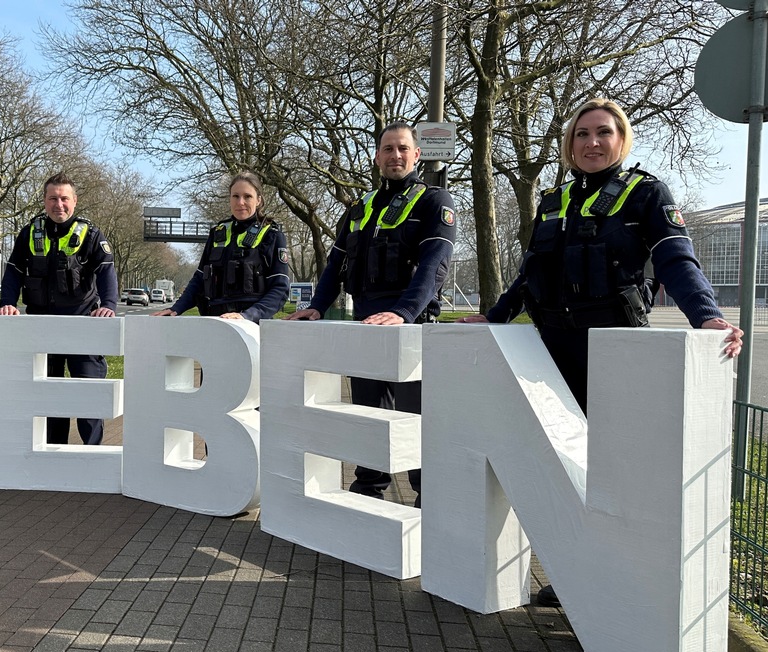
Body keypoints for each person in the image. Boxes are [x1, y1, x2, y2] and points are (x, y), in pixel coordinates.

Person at [458, 98, 742, 607]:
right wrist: (494, 316)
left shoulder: (645, 193)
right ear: (569, 144)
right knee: (561, 465)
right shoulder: (553, 200)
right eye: (582, 134)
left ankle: (609, 580)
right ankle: (573, 574)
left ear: (621, 139)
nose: (592, 142)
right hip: (549, 352)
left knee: (608, 472)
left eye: (603, 132)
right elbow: (529, 273)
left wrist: (706, 315)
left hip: (614, 349)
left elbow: (676, 258)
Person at [285, 122, 457, 507]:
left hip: (412, 327)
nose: (395, 156)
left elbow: (435, 265)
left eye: (402, 149)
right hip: (366, 326)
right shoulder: (360, 207)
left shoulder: (434, 201)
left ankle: (427, 498)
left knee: (416, 418)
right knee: (367, 413)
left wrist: (403, 312)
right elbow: (335, 265)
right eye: (387, 149)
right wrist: (317, 305)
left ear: (416, 155)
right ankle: (367, 491)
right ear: (377, 157)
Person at [0, 172, 118, 445]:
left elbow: (107, 272)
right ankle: (53, 454)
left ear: (74, 201)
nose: (58, 205)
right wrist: (7, 303)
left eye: (64, 199)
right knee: (48, 398)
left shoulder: (91, 234)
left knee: (88, 396)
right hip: (41, 327)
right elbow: (14, 271)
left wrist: (108, 306)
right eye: (53, 198)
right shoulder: (29, 233)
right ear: (44, 200)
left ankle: (92, 455)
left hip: (82, 326)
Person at [151, 170, 289, 322]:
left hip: (253, 325)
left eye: (247, 196)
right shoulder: (218, 233)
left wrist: (248, 315)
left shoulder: (272, 236)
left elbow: (280, 289)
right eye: (235, 196)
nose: (240, 202)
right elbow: (199, 279)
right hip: (215, 322)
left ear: (258, 200)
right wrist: (176, 308)